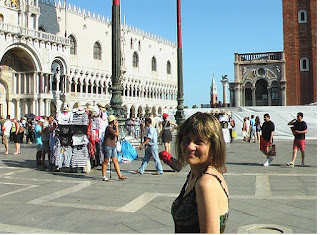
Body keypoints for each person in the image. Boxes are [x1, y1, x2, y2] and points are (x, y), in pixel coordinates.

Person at [171, 112, 229, 233]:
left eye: (199, 142)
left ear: (213, 146)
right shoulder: (195, 175)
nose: (189, 147)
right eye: (186, 140)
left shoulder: (206, 183)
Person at [101, 115, 127, 181]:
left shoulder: (112, 128)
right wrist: (117, 127)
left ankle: (119, 175)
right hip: (108, 146)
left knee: (115, 161)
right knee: (106, 161)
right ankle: (104, 176)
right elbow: (117, 134)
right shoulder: (109, 128)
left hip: (113, 146)